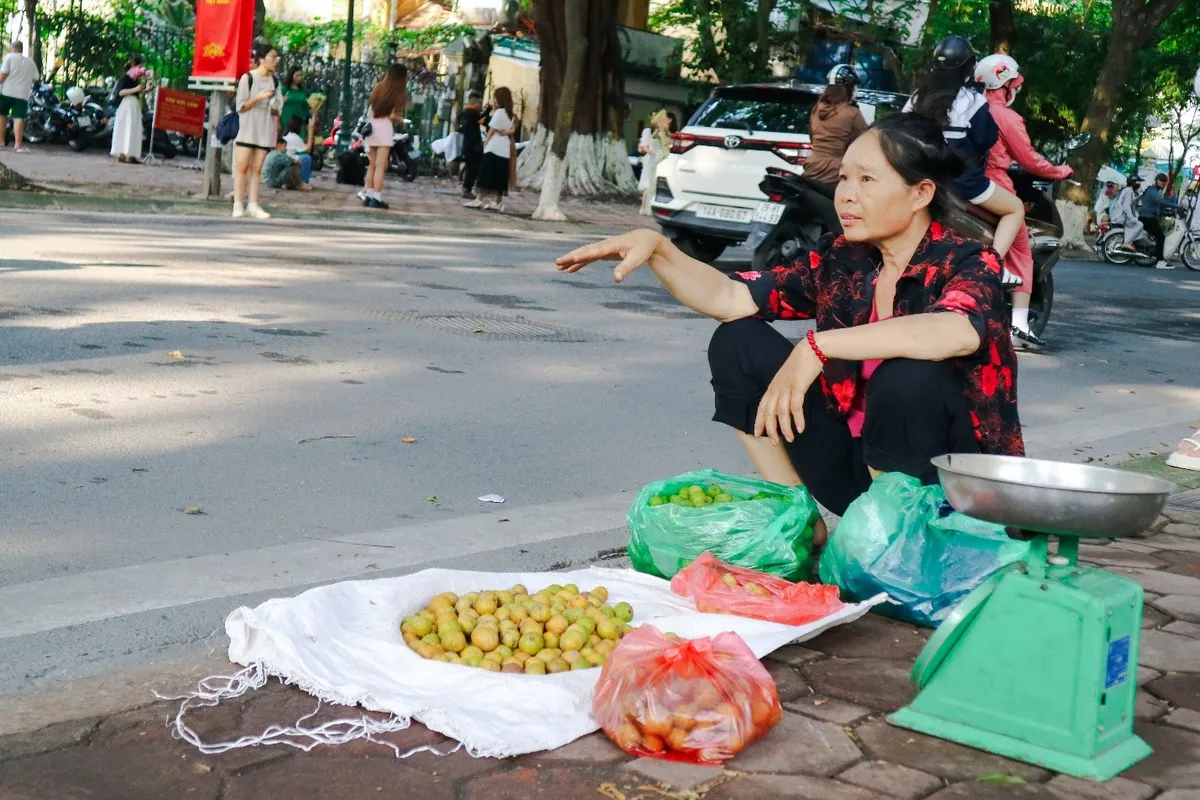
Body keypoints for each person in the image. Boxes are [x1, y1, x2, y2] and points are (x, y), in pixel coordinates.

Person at [556, 114, 1021, 540]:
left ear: (920, 193)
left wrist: (815, 348)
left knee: (907, 374)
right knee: (738, 340)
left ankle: (890, 541)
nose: (846, 194)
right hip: (857, 468)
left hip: (953, 488)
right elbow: (731, 297)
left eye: (866, 180)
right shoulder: (843, 256)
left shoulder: (967, 258)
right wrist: (658, 249)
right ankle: (804, 523)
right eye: (843, 178)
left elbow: (957, 330)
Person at [975, 54, 1072, 346]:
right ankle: (1018, 323)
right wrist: (1060, 171)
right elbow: (1029, 159)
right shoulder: (1006, 116)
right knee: (1021, 247)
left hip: (956, 184)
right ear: (1004, 84)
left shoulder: (966, 108)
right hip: (993, 184)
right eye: (1012, 83)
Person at [905, 36, 1024, 261]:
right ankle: (992, 262)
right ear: (969, 67)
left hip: (918, 178)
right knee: (1015, 209)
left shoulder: (916, 98)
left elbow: (900, 133)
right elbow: (986, 139)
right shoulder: (972, 100)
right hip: (963, 183)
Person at [232, 42, 283, 219]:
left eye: (277, 57)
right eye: (272, 57)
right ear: (261, 59)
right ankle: (238, 203)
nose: (275, 61)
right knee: (242, 165)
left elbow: (278, 107)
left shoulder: (275, 81)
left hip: (265, 126)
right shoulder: (248, 78)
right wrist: (259, 97)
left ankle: (253, 204)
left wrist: (275, 103)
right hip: (248, 126)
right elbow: (241, 106)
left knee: (257, 168)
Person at [803, 64, 868, 189]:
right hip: (835, 174)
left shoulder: (817, 109)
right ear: (848, 89)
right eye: (854, 87)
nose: (856, 90)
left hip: (812, 168)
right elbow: (864, 142)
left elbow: (812, 137)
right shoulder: (852, 113)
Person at [361, 63, 408, 210]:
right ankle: (377, 198)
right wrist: (401, 119)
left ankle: (368, 196)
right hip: (385, 128)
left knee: (372, 165)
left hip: (372, 126)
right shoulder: (398, 92)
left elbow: (371, 107)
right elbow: (393, 115)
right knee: (381, 166)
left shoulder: (378, 87)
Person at [465, 86, 516, 212]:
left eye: (496, 98)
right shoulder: (511, 115)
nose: (494, 100)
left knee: (485, 173)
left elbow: (492, 129)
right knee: (499, 175)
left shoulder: (499, 112)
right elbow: (512, 129)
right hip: (504, 148)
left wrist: (486, 142)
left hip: (493, 147)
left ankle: (479, 199)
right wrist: (506, 131)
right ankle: (495, 201)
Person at [0, 41, 39, 153]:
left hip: (6, 92)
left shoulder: (9, 57)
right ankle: (18, 145)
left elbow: (2, 75)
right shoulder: (30, 62)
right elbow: (35, 78)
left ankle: (1, 142)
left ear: (13, 48)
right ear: (21, 49)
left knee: (2, 115)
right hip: (22, 94)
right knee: (18, 119)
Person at [109, 56, 146, 164]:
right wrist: (135, 89)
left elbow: (137, 93)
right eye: (140, 66)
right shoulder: (125, 78)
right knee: (126, 129)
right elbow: (121, 92)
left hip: (134, 105)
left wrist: (145, 89)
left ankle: (132, 154)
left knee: (134, 129)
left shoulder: (136, 80)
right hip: (126, 105)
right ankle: (123, 153)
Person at [1138, 172, 1179, 270]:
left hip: (1150, 217)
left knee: (1158, 236)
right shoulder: (1152, 191)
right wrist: (1177, 206)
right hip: (1147, 218)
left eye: (1165, 182)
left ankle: (1157, 255)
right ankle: (1160, 261)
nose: (1163, 184)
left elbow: (1158, 205)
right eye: (1161, 181)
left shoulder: (1155, 191)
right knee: (1161, 237)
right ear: (1157, 181)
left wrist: (1167, 212)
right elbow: (1160, 201)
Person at [637, 109, 673, 214]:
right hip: (652, 158)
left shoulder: (666, 132)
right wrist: (654, 153)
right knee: (648, 184)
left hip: (661, 158)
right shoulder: (650, 132)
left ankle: (648, 207)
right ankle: (644, 208)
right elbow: (643, 148)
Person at [458, 90, 484, 198]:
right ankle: (467, 189)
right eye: (480, 103)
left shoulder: (465, 113)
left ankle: (467, 188)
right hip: (473, 146)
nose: (481, 106)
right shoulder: (472, 113)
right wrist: (488, 110)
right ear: (474, 102)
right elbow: (482, 120)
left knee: (470, 168)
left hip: (468, 145)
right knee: (473, 169)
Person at [281, 114, 317, 190]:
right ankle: (303, 182)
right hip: (288, 164)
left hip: (283, 164)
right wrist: (310, 133)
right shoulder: (294, 137)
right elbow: (308, 150)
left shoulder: (288, 135)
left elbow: (302, 143)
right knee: (306, 158)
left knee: (298, 158)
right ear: (299, 127)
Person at [1110, 176, 1145, 253]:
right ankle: (1126, 242)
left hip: (1120, 216)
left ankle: (1128, 242)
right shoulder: (1129, 191)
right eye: (1138, 182)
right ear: (1133, 183)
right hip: (1121, 217)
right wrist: (1132, 218)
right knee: (1139, 225)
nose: (1139, 184)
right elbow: (1126, 206)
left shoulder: (1126, 190)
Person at [278, 67, 310, 132]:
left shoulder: (302, 91)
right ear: (291, 75)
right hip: (286, 121)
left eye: (301, 76)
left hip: (300, 122)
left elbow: (307, 108)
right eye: (297, 75)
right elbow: (277, 105)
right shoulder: (284, 89)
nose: (299, 78)